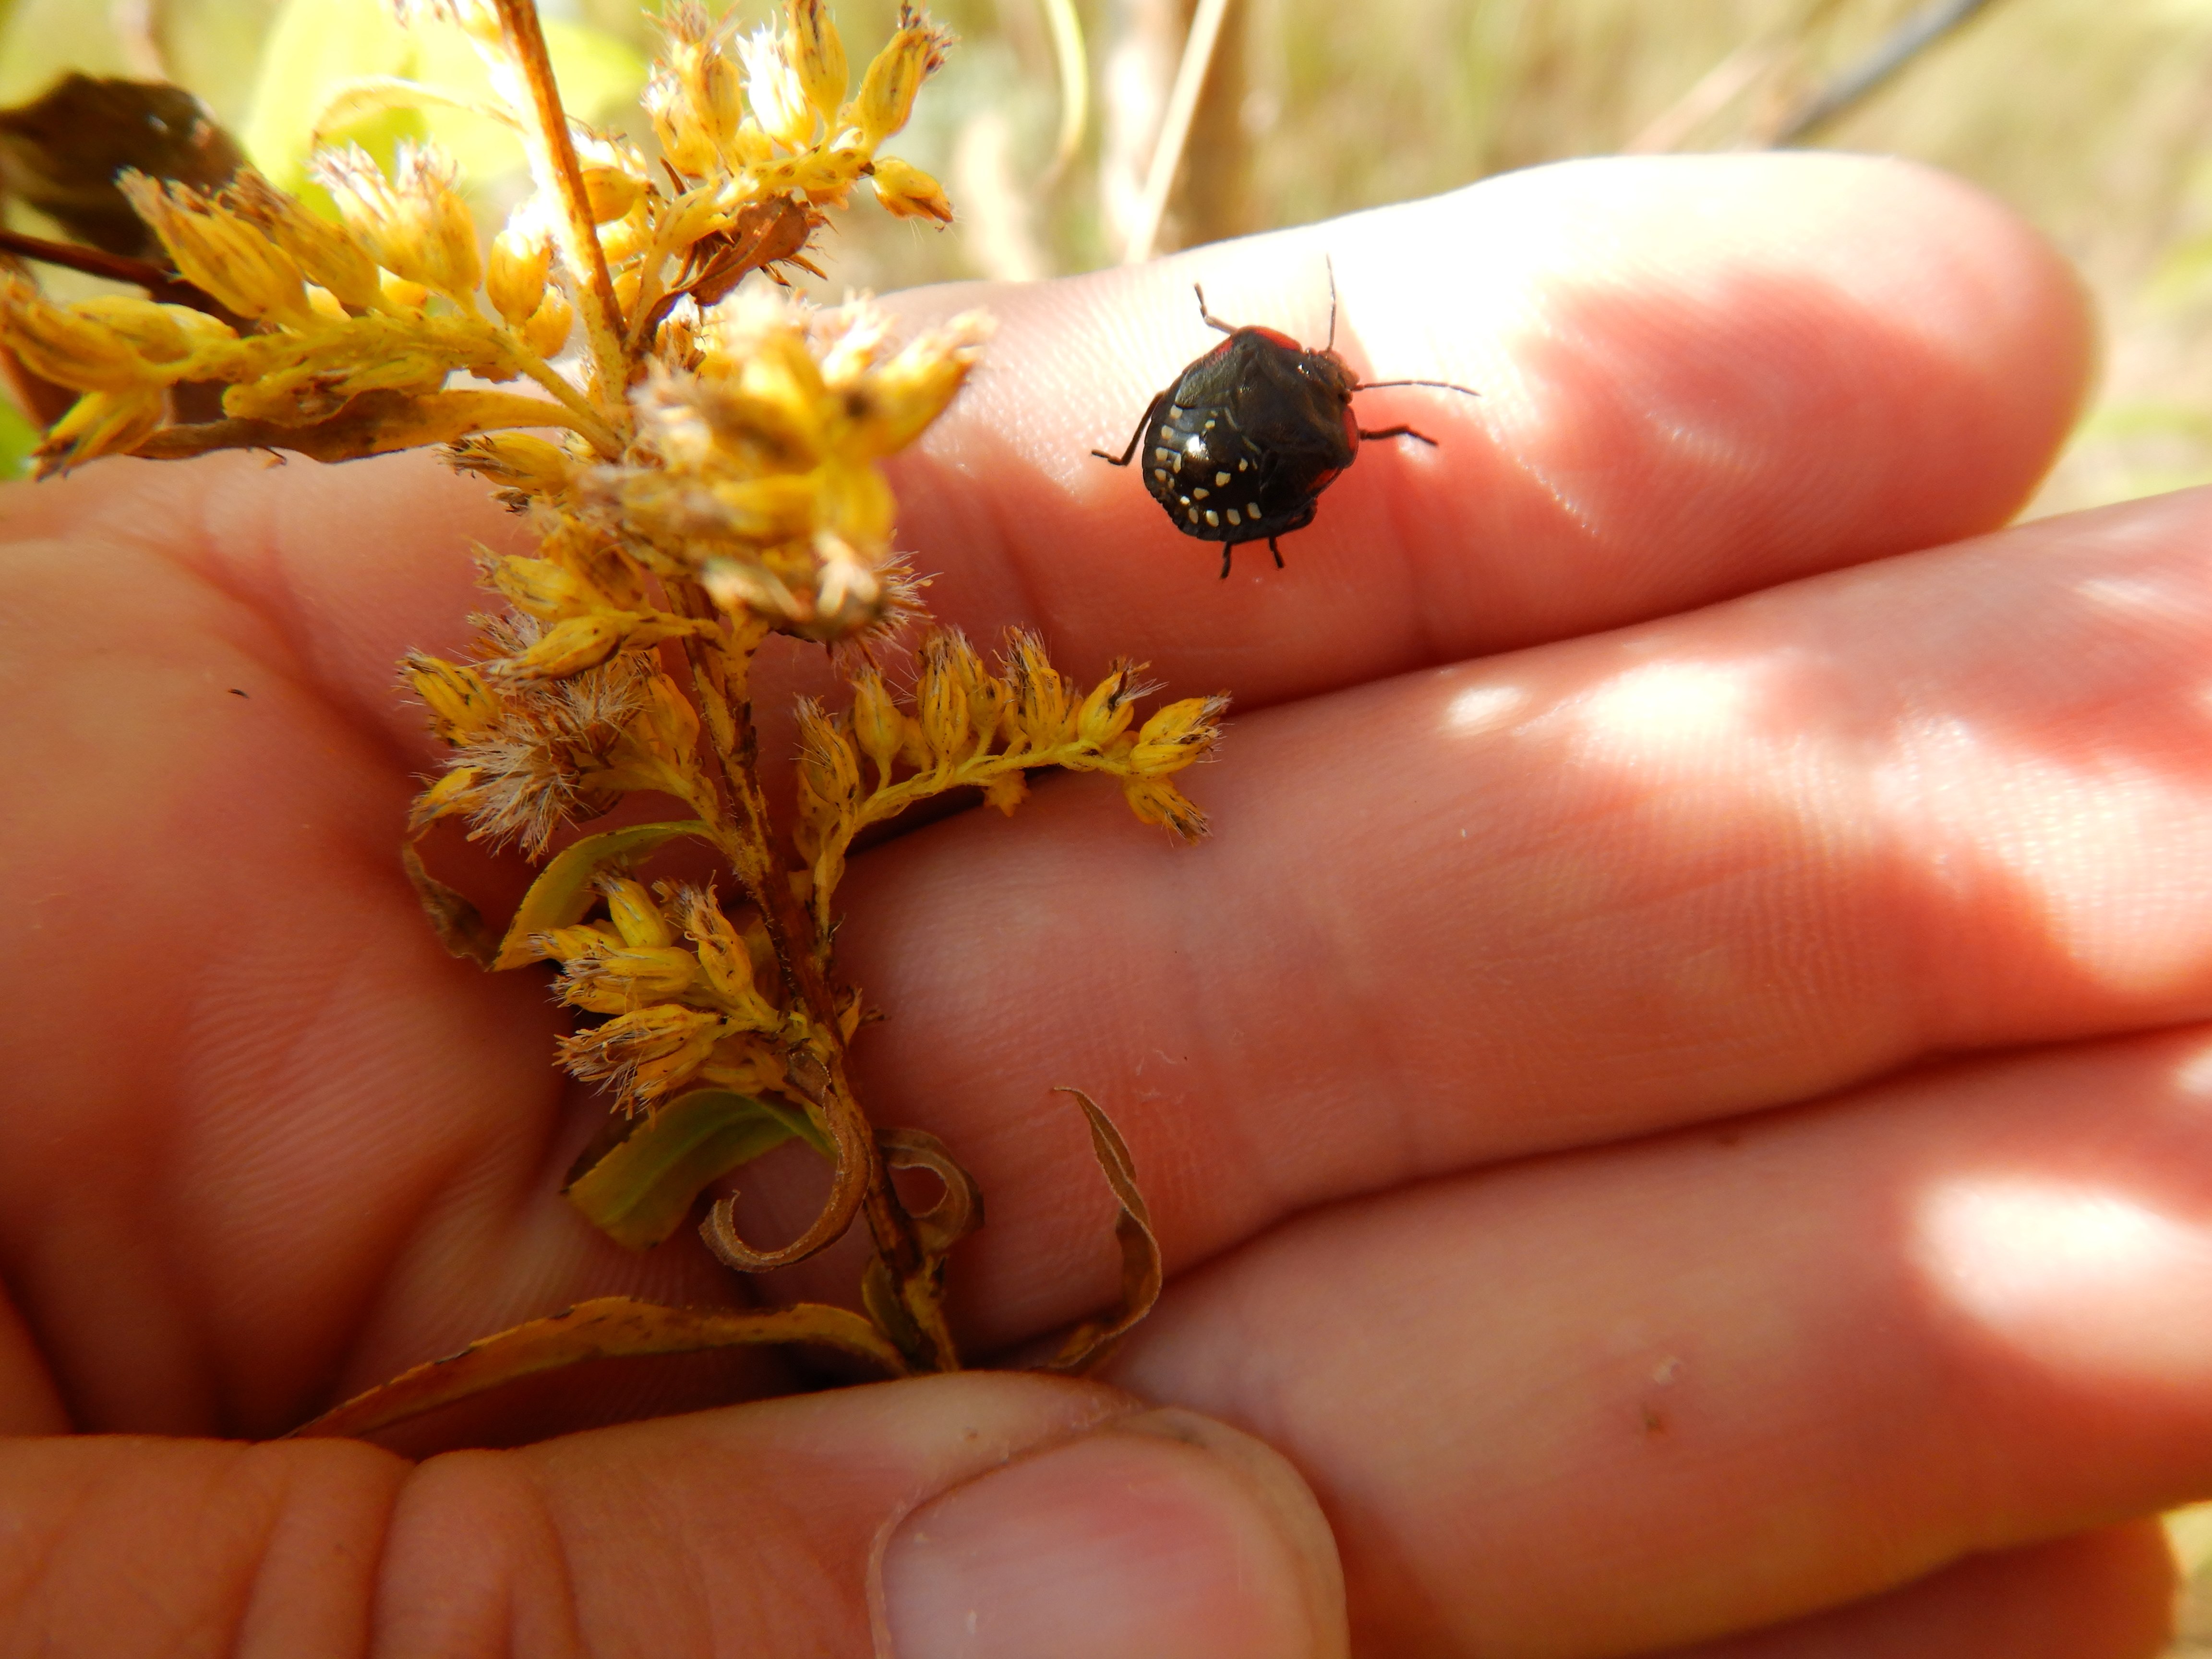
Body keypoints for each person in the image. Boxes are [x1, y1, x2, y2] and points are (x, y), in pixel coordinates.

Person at [0, 148, 2192, 1658]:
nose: (1326, 393)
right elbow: (1252, 435)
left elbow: (1233, 428)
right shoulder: (1279, 419)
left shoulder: (1253, 413)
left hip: (1178, 467)